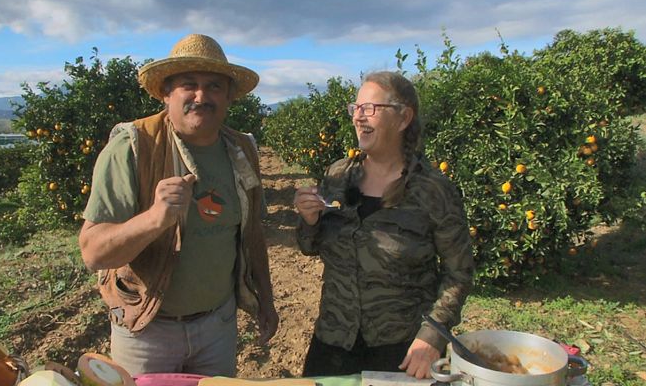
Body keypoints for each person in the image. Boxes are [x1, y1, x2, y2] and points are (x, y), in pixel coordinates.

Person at [78, 33, 279, 377]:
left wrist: (266, 298)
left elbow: (251, 233)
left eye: (214, 86)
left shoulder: (241, 151)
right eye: (189, 84)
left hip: (218, 325)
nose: (202, 96)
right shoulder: (133, 148)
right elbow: (93, 252)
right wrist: (155, 219)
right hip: (147, 330)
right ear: (167, 93)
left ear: (229, 96)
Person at [293, 71, 474, 379]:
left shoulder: (432, 190)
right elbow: (310, 246)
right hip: (334, 341)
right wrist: (309, 221)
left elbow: (459, 272)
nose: (358, 117)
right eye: (356, 108)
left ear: (403, 118)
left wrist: (433, 335)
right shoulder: (338, 176)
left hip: (402, 349)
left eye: (370, 108)